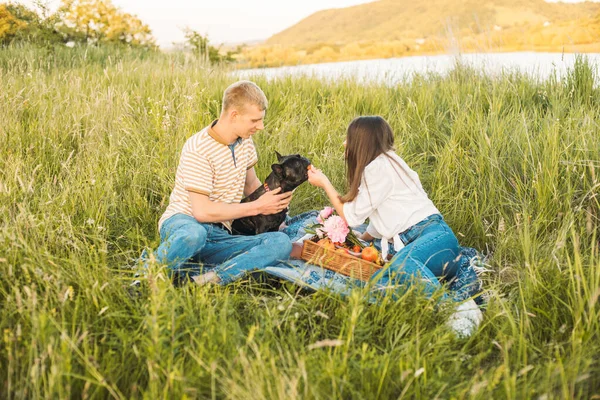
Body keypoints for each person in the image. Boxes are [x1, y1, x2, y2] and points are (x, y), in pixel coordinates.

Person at [149, 81, 293, 286]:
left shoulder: (245, 141)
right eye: (255, 120)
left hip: (220, 234)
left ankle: (206, 280)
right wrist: (257, 207)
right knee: (194, 234)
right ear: (234, 115)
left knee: (280, 243)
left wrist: (278, 211)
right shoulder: (199, 148)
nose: (260, 126)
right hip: (185, 223)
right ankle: (143, 276)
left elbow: (252, 185)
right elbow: (202, 212)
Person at [307, 115, 465, 297]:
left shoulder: (377, 168)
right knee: (380, 281)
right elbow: (385, 212)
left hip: (433, 240)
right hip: (429, 246)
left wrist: (325, 183)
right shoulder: (389, 162)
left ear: (362, 143)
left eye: (349, 139)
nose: (344, 144)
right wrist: (364, 237)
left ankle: (453, 311)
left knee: (401, 265)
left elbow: (350, 217)